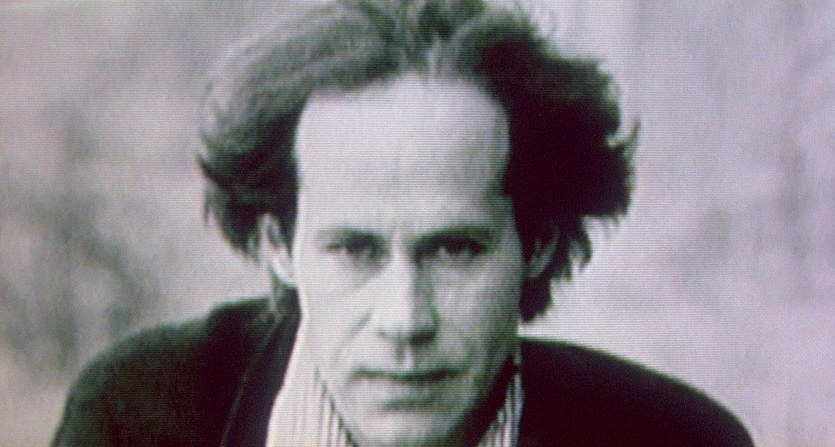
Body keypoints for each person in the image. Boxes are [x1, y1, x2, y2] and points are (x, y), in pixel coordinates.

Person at [52, 0, 754, 445]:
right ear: (278, 245)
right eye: (353, 249)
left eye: (454, 249)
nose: (404, 320)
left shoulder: (678, 440)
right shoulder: (137, 418)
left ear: (536, 243)